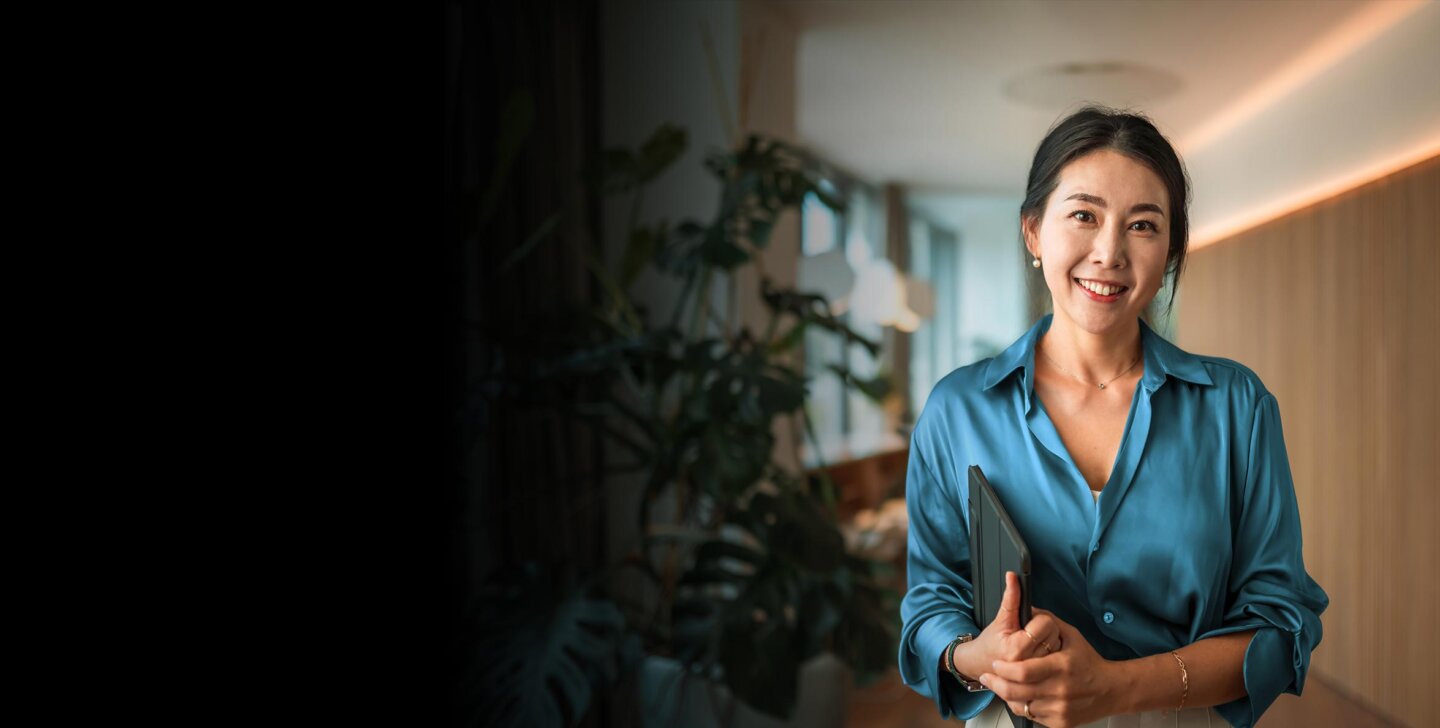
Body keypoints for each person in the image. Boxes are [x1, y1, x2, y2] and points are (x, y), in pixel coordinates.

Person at [897, 106, 1329, 728]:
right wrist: (973, 655)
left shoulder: (1238, 407)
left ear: (1171, 251)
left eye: (1143, 225)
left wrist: (1117, 688)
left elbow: (1280, 625)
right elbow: (929, 604)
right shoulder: (956, 409)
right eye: (1083, 215)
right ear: (1033, 232)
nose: (1109, 252)